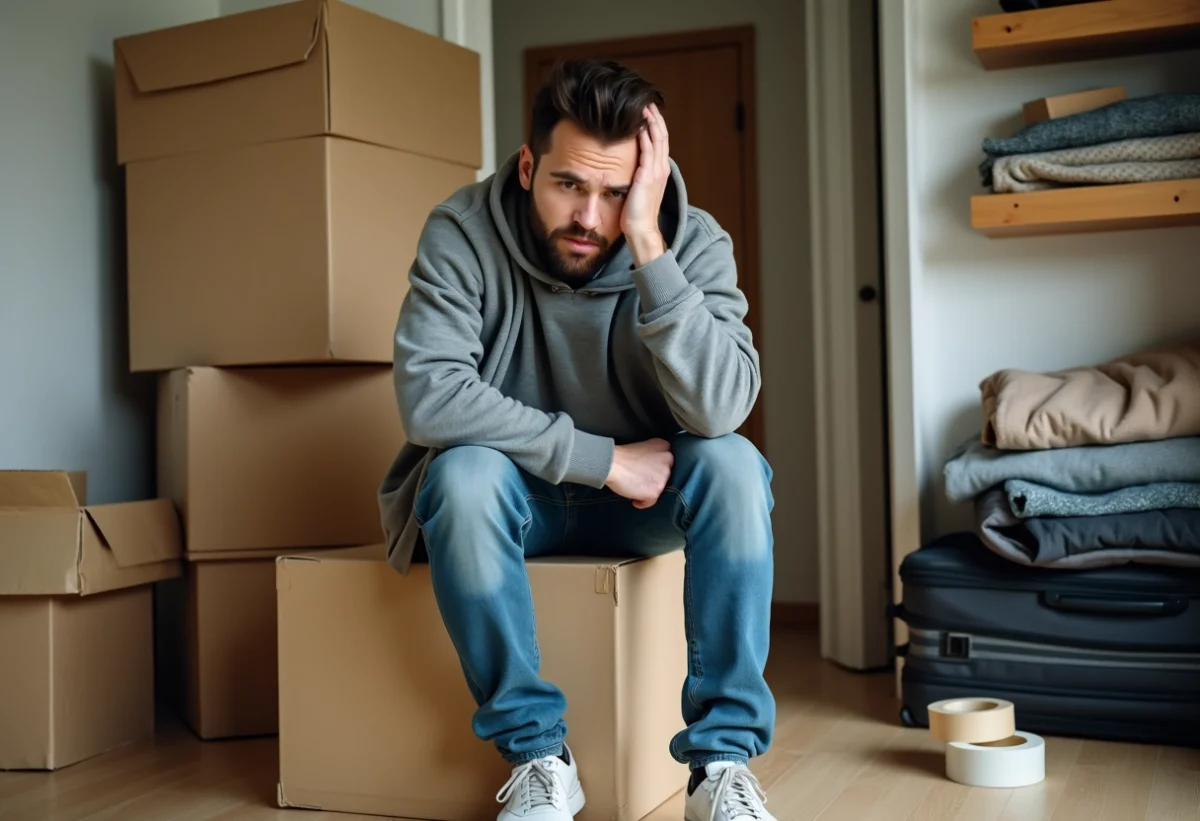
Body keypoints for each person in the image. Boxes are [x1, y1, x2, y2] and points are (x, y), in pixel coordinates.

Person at [377, 57, 777, 821]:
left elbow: (724, 406)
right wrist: (602, 459)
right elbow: (430, 396)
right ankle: (540, 758)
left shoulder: (692, 241)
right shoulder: (462, 231)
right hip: (513, 498)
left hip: (647, 499)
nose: (590, 217)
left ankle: (719, 766)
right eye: (569, 184)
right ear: (529, 166)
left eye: (617, 191)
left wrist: (651, 249)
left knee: (732, 465)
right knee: (458, 475)